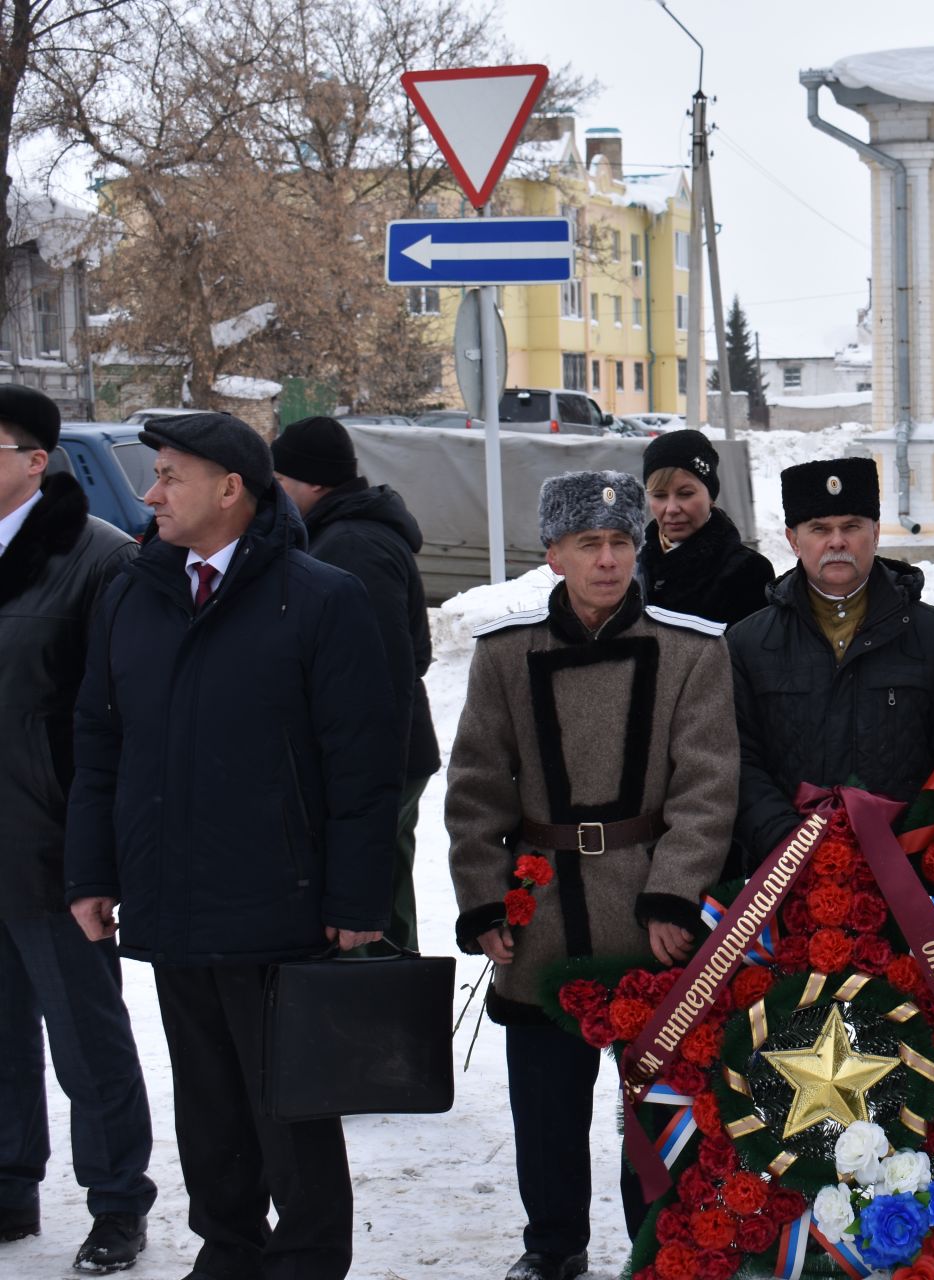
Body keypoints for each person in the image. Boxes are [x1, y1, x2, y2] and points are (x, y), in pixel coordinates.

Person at [64, 412, 400, 1280]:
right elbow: (100, 743)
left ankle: (311, 1258)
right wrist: (93, 870)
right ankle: (230, 1249)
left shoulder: (321, 597)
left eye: (169, 474)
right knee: (208, 1105)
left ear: (229, 489)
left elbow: (364, 768)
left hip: (280, 902)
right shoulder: (131, 593)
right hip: (171, 897)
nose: (150, 493)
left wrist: (356, 902)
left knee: (291, 1105)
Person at [445, 470, 739, 1280]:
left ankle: (659, 1244)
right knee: (544, 1102)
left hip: (650, 913)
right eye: (588, 545)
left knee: (657, 1105)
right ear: (555, 555)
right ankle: (552, 1246)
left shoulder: (690, 652)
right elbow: (475, 789)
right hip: (540, 910)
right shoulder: (506, 657)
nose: (608, 560)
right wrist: (483, 899)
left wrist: (677, 892)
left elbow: (707, 788)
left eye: (620, 543)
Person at [0, 386, 154, 1274]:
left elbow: (118, 719)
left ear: (36, 461)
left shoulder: (97, 559)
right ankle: (9, 1183)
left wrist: (100, 849)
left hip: (54, 841)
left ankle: (117, 1203)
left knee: (87, 1039)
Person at [728, 457, 934, 872]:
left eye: (852, 526)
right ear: (792, 539)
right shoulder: (749, 643)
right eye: (819, 529)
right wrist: (787, 843)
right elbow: (737, 764)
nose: (837, 541)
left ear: (875, 533)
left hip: (911, 889)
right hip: (784, 883)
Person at [273, 415, 442, 951]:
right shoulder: (343, 533)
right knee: (383, 891)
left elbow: (386, 669)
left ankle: (387, 1020)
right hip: (389, 754)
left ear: (315, 481)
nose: (273, 496)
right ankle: (391, 1011)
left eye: (280, 483)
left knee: (370, 905)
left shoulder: (350, 546)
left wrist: (368, 776)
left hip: (381, 758)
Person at [638, 428, 774, 628]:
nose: (672, 508)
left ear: (711, 496)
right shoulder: (632, 566)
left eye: (685, 493)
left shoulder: (748, 572)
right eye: (659, 495)